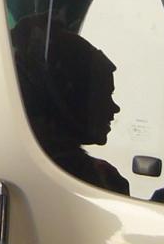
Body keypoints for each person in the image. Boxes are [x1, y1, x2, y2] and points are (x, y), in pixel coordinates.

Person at [11, 13, 130, 196]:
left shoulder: (24, 162)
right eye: (105, 96)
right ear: (72, 98)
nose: (114, 108)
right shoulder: (81, 180)